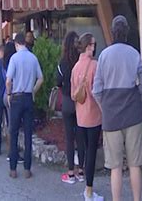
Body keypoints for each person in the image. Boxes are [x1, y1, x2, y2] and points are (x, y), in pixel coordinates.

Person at [93, 15, 142, 201]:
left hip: (111, 117)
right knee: (135, 165)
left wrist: (105, 108)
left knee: (115, 167)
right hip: (132, 115)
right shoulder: (134, 54)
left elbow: (96, 90)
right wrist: (137, 90)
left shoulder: (104, 56)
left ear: (112, 32)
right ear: (127, 33)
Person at [6, 33, 44, 179]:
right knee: (28, 133)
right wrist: (33, 90)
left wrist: (9, 94)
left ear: (16, 44)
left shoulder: (14, 58)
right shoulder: (33, 58)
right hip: (28, 97)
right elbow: (41, 78)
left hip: (16, 97)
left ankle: (13, 169)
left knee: (14, 132)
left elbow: (9, 81)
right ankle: (27, 169)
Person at [71, 33, 103, 201]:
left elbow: (72, 95)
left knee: (85, 150)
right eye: (93, 44)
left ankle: (87, 188)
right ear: (88, 46)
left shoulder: (75, 67)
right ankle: (89, 191)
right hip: (94, 115)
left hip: (80, 116)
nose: (94, 47)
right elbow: (98, 91)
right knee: (92, 152)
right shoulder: (95, 66)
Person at [56, 31, 86, 184]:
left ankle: (70, 173)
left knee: (69, 138)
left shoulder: (62, 63)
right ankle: (81, 171)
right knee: (81, 136)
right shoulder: (81, 62)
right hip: (80, 103)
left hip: (67, 101)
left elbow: (58, 82)